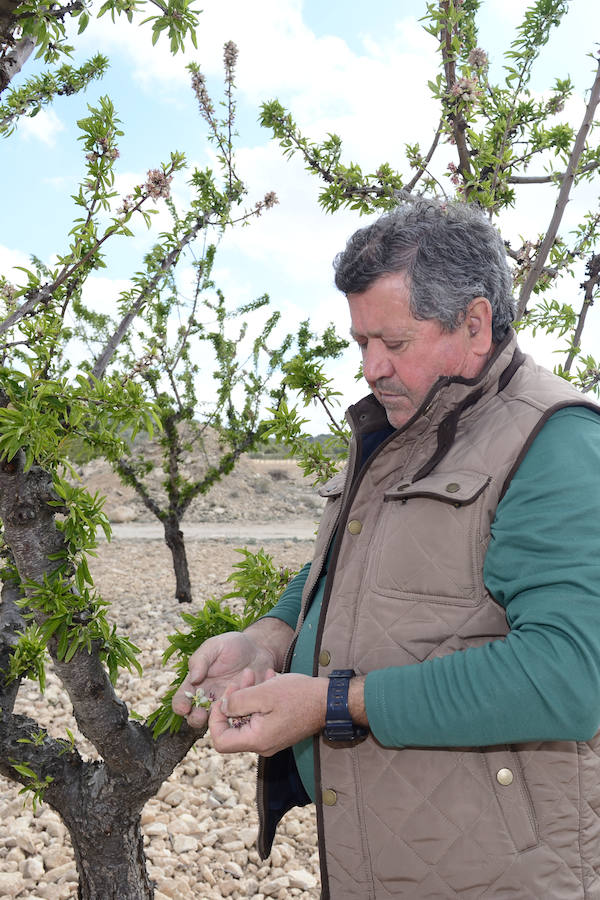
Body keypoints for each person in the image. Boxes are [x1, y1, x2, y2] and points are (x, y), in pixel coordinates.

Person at [173, 199, 600, 899]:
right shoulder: (413, 421)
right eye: (360, 343)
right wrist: (271, 637)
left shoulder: (556, 443)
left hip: (494, 872)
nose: (371, 369)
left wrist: (332, 704)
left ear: (475, 322)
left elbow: (566, 678)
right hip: (389, 853)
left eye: (394, 343)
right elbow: (356, 557)